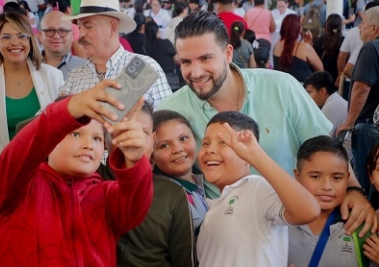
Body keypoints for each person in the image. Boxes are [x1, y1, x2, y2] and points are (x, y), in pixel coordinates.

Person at [159, 11, 377, 235]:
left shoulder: (281, 87)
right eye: (186, 62)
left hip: (299, 228)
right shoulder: (172, 112)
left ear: (227, 53)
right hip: (225, 237)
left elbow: (327, 149)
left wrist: (355, 191)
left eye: (205, 58)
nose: (195, 72)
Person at [0, 79, 153, 266]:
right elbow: (16, 155)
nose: (88, 145)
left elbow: (136, 207)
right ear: (51, 139)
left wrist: (134, 162)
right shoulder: (19, 187)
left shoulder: (107, 196)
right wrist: (67, 110)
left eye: (97, 138)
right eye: (76, 134)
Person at [196, 111, 320, 266]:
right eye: (205, 143)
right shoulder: (212, 208)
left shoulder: (257, 188)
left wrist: (256, 155)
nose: (210, 150)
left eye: (223, 143)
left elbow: (309, 210)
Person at [0, 11, 64, 192]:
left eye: (21, 36)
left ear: (30, 41)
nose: (15, 43)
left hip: (42, 181)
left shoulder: (53, 77)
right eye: (6, 37)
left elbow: (62, 129)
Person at [104, 103, 196, 267]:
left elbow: (184, 262)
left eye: (142, 133)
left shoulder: (172, 194)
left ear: (153, 140)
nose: (133, 140)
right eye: (122, 131)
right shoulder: (87, 181)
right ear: (104, 138)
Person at [59, 0, 172, 111]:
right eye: (79, 27)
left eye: (88, 26)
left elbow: (167, 122)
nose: (81, 34)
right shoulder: (75, 76)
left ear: (113, 27)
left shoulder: (145, 67)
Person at [289, 135, 374, 267]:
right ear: (298, 177)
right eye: (315, 176)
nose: (327, 186)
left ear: (347, 178)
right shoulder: (278, 223)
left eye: (337, 178)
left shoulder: (361, 226)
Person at [337, 6, 379, 195]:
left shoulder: (371, 48)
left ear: (375, 28)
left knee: (366, 187)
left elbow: (362, 88)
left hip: (368, 126)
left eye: (364, 23)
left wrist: (349, 121)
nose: (360, 27)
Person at [152, 110, 208, 233]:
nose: (177, 149)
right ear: (151, 155)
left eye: (183, 139)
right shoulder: (162, 197)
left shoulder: (208, 176)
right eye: (164, 145)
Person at [303, 71, 351, 158]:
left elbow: (322, 139)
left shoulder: (330, 106)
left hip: (345, 156)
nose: (307, 97)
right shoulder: (335, 101)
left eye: (309, 92)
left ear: (322, 91)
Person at [273, 14, 323, 83]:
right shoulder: (305, 48)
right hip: (302, 89)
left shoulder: (276, 46)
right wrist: (308, 45)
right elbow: (320, 70)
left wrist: (306, 44)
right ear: (297, 29)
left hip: (281, 86)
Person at [39, 11, 87, 79]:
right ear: (40, 35)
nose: (56, 36)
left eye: (63, 31)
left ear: (72, 35)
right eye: (50, 31)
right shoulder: (28, 65)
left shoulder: (87, 70)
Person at [313, 13, 343, 87]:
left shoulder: (319, 40)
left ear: (327, 24)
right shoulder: (344, 41)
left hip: (322, 77)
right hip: (337, 78)